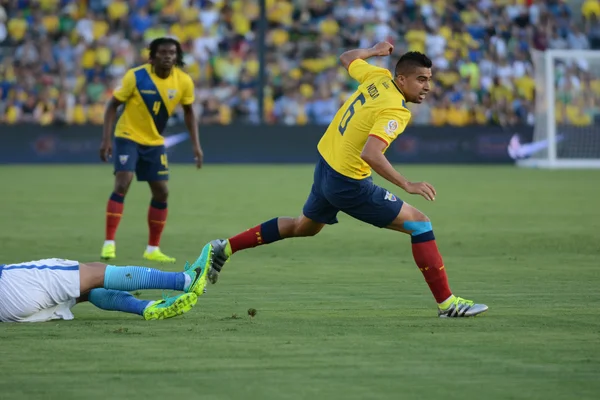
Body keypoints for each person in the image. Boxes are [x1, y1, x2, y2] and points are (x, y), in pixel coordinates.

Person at [203, 42, 488, 318]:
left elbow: (347, 57)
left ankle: (224, 247)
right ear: (401, 79)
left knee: (303, 227)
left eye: (429, 79)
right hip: (349, 183)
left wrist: (374, 52)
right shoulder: (396, 110)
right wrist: (407, 184)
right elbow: (371, 154)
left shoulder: (377, 75)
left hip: (327, 165)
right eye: (420, 79)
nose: (427, 86)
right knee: (420, 224)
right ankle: (448, 304)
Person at [99, 37, 204, 263]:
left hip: (154, 142)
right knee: (122, 182)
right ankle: (109, 243)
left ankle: (152, 248)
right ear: (153, 56)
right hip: (127, 136)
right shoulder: (136, 76)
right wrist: (106, 139)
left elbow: (189, 112)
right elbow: (112, 105)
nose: (168, 57)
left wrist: (196, 145)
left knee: (162, 192)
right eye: (163, 52)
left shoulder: (183, 81)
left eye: (172, 53)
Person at [0, 244, 212, 323]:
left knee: (84, 290)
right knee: (94, 273)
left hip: (9, 312)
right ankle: (185, 280)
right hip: (10, 284)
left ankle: (147, 308)